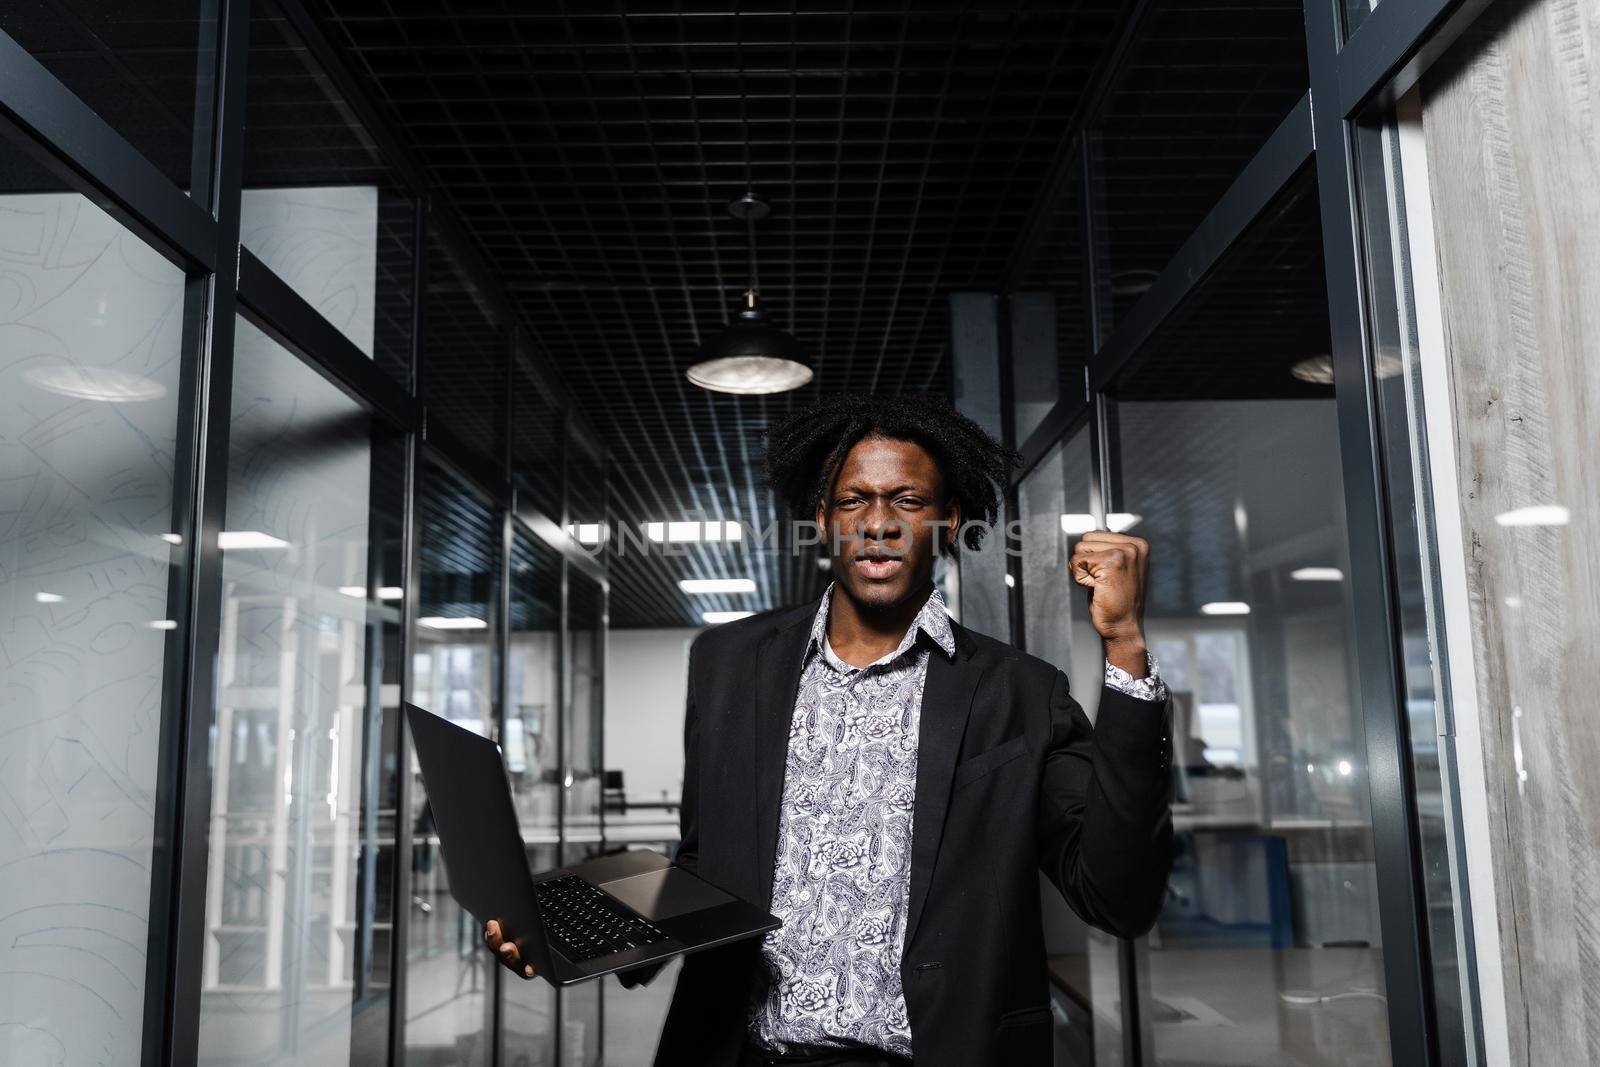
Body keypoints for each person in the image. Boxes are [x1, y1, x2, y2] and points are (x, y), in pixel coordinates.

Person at [486, 393, 1173, 1066]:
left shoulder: (1020, 691)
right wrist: (574, 927)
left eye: (907, 500)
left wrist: (1125, 647)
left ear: (947, 518)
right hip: (746, 1050)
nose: (878, 522)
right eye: (853, 501)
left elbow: (1119, 896)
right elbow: (706, 862)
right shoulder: (730, 664)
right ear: (823, 518)